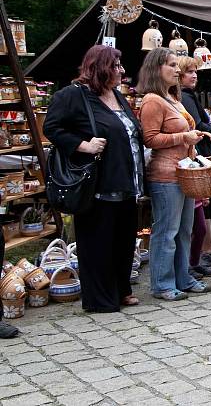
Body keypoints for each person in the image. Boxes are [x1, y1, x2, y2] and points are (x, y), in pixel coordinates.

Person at [44, 45, 145, 312]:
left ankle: (121, 289)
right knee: (98, 243)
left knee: (123, 240)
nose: (121, 71)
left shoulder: (116, 95)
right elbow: (51, 127)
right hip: (97, 184)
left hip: (126, 182)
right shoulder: (74, 96)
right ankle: (100, 299)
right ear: (100, 67)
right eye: (116, 66)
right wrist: (82, 145)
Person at [138, 47, 211, 301]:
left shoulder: (174, 98)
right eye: (171, 65)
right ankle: (162, 284)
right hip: (165, 174)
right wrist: (184, 137)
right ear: (156, 69)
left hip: (185, 173)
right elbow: (149, 139)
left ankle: (183, 277)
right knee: (166, 231)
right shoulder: (152, 100)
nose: (177, 69)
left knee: (184, 231)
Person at [178, 55, 211, 279]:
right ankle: (192, 263)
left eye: (195, 71)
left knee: (200, 219)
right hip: (195, 159)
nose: (194, 75)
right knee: (194, 224)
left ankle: (195, 261)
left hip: (197, 157)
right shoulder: (185, 97)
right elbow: (199, 126)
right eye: (188, 72)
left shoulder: (188, 96)